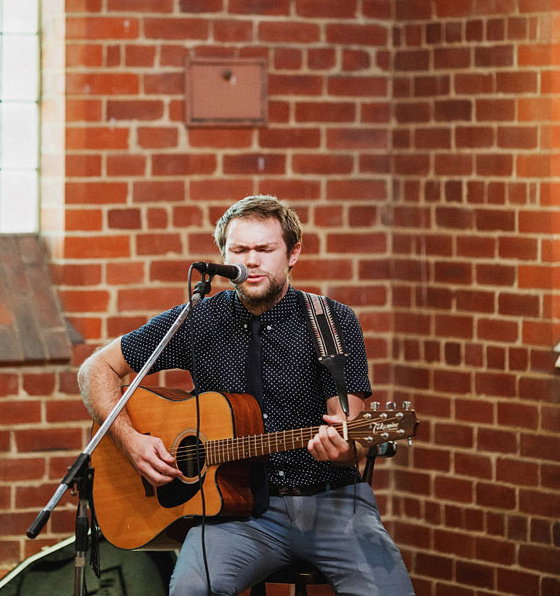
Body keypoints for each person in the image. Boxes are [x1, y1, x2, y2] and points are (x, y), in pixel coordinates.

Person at [78, 194, 414, 596]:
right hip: (236, 513)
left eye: (264, 249)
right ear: (224, 256)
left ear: (292, 254)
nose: (251, 261)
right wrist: (132, 442)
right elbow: (95, 369)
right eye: (239, 250)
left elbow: (351, 434)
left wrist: (345, 448)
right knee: (190, 591)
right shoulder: (197, 319)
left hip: (333, 505)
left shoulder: (332, 321)